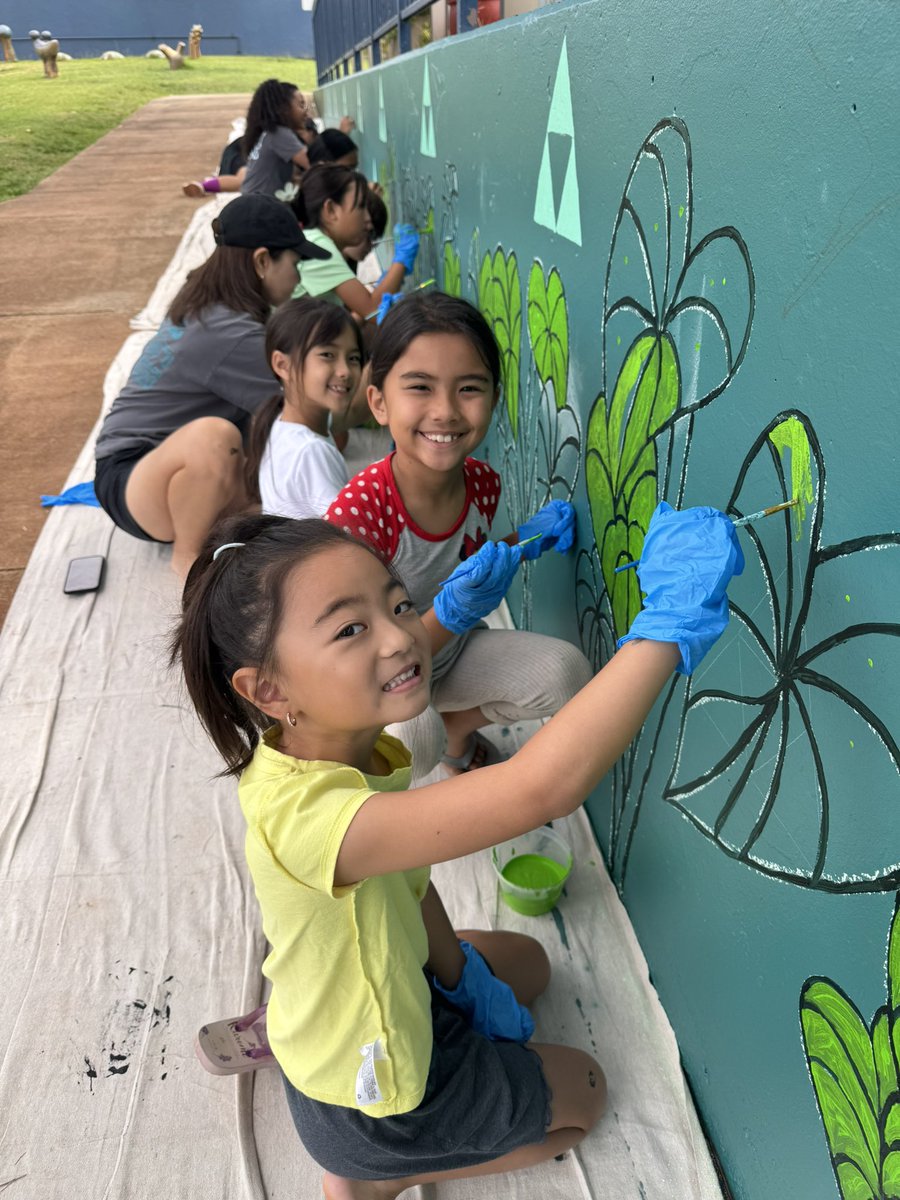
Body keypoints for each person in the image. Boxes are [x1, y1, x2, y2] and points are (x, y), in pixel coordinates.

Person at [170, 502, 743, 1199]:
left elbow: (409, 884)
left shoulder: (342, 747)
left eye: (400, 604)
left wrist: (455, 976)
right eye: (352, 629)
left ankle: (392, 1060)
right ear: (269, 690)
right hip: (371, 1101)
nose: (402, 637)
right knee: (585, 1095)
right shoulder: (311, 817)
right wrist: (667, 625)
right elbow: (542, 786)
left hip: (355, 999)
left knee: (528, 963)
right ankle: (369, 1180)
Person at [324, 292, 591, 776]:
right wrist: (449, 614)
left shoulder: (484, 484)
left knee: (565, 674)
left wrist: (526, 542)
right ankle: (430, 745)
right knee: (413, 738)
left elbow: (477, 557)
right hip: (385, 680)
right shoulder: (359, 514)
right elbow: (355, 660)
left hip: (453, 655)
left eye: (469, 388)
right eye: (420, 387)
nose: (446, 411)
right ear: (379, 403)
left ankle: (458, 727)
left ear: (494, 398)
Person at [93, 194, 329, 577]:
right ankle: (188, 559)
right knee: (217, 437)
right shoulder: (227, 332)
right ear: (262, 261)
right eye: (296, 263)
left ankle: (217, 513)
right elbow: (311, 413)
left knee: (285, 498)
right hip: (134, 477)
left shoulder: (210, 297)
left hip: (159, 469)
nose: (299, 277)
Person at [246, 299, 365, 520]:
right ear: (283, 365)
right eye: (328, 355)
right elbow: (347, 533)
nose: (345, 371)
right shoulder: (311, 452)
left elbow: (354, 411)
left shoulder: (282, 419)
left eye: (353, 358)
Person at [290, 164, 418, 320]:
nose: (368, 219)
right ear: (331, 210)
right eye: (361, 207)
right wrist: (401, 261)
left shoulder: (314, 240)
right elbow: (373, 311)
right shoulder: (318, 248)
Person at [241, 79, 311, 201]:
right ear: (284, 108)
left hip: (250, 202)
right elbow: (314, 165)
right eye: (301, 105)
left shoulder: (268, 133)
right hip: (261, 207)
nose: (306, 110)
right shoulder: (279, 133)